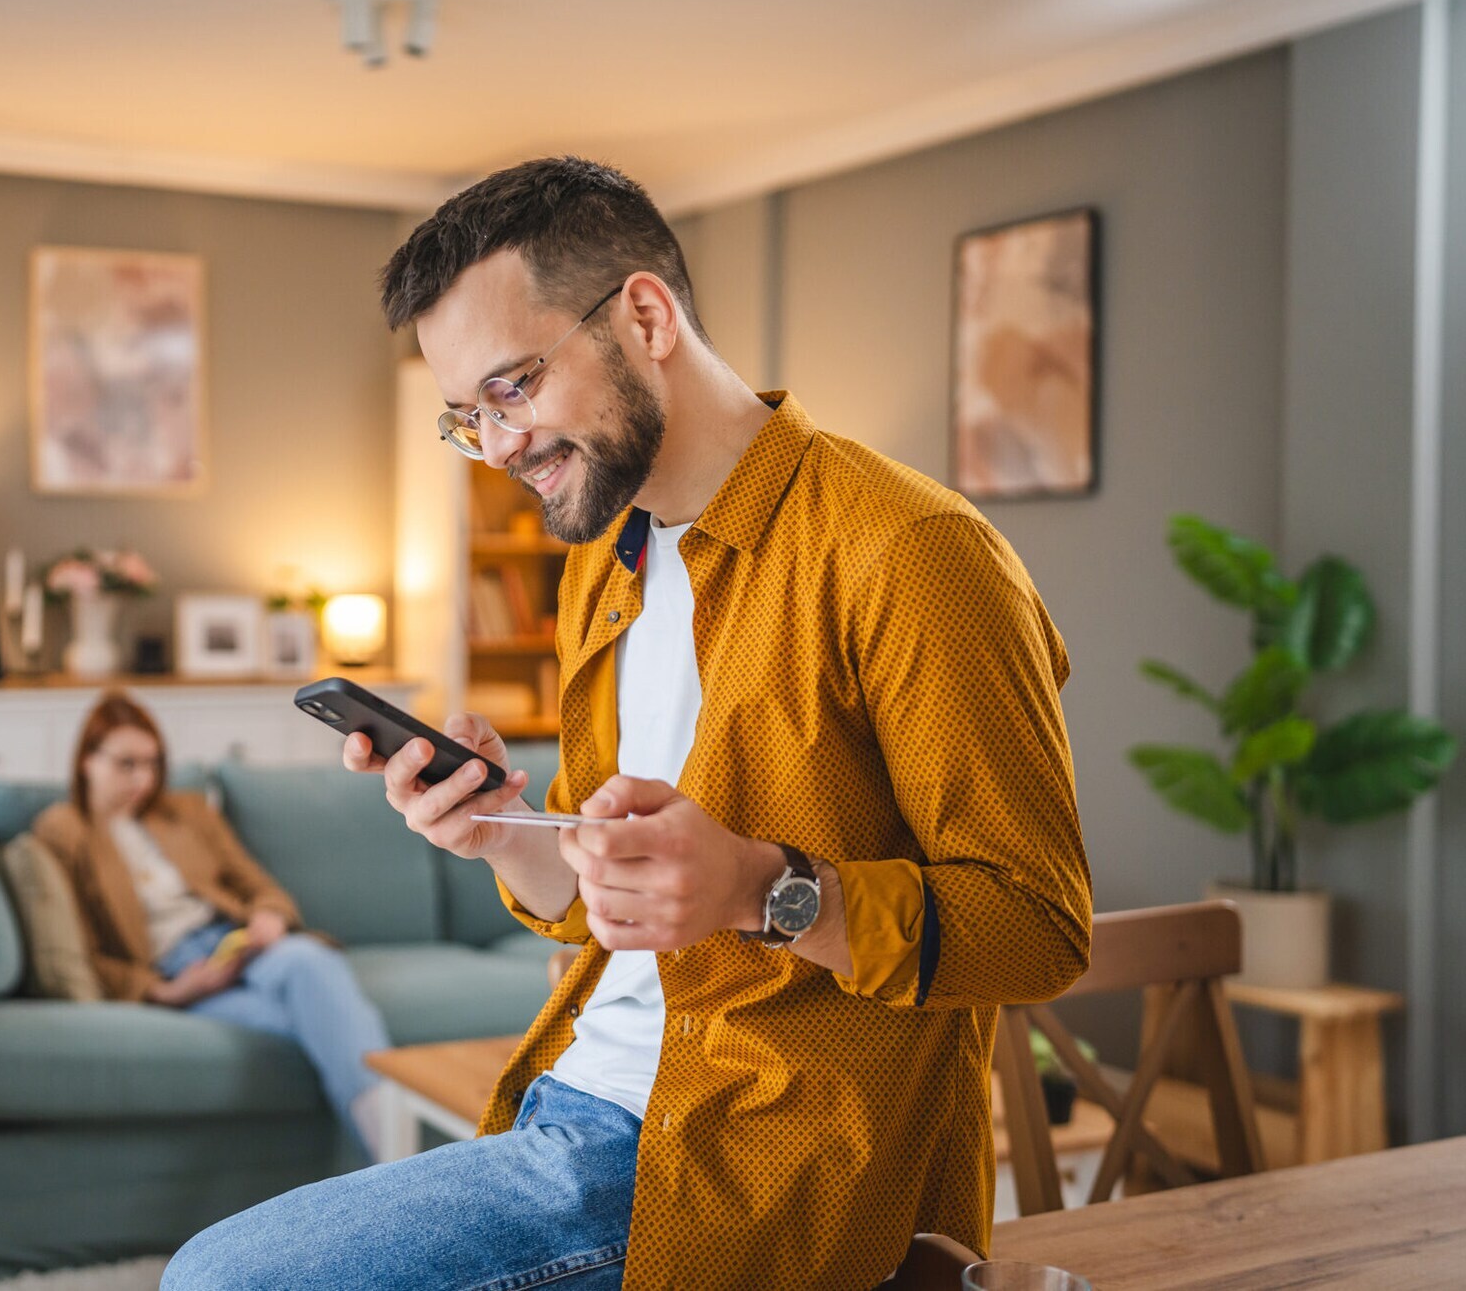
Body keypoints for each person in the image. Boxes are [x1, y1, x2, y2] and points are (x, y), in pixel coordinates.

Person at [163, 157, 1092, 1291]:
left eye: (512, 386)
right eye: (468, 417)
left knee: (219, 1282)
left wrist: (762, 887)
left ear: (644, 315)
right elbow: (609, 908)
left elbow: (1038, 929)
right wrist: (501, 831)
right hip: (577, 1100)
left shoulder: (908, 553)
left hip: (755, 1157)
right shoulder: (605, 563)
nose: (496, 446)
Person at [32, 691, 392, 1159]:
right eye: (126, 764)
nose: (143, 779)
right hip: (186, 974)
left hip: (241, 943)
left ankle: (396, 1160)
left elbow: (260, 887)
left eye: (152, 763)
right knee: (314, 1020)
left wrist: (269, 917)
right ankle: (397, 1151)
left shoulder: (188, 812)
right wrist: (165, 992)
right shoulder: (64, 832)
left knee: (307, 962)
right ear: (87, 761)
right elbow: (82, 951)